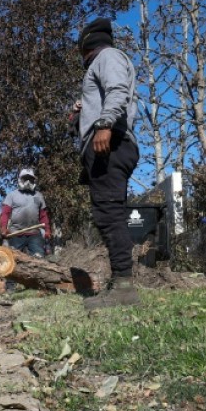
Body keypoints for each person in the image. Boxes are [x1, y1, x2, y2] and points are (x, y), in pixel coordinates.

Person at [73, 17, 140, 310]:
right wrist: (83, 111)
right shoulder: (101, 62)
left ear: (87, 43)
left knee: (110, 214)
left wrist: (103, 123)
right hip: (107, 143)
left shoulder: (107, 56)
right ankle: (120, 282)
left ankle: (124, 288)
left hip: (110, 143)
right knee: (107, 213)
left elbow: (117, 90)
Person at [0, 168, 52, 258]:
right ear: (20, 179)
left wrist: (47, 230)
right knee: (13, 259)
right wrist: (3, 228)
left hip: (35, 234)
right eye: (25, 178)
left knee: (39, 258)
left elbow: (43, 215)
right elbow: (5, 213)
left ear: (34, 180)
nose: (28, 181)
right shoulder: (12, 195)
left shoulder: (39, 195)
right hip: (16, 233)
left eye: (30, 179)